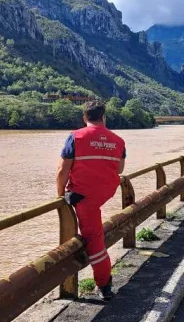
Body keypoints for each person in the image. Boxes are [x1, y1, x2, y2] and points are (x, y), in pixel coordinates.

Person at [56, 100, 126, 301]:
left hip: (84, 196)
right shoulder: (118, 141)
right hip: (106, 191)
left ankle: (105, 285)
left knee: (94, 240)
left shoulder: (75, 137)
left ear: (85, 117)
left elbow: (63, 170)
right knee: (94, 228)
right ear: (104, 117)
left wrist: (60, 196)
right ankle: (103, 282)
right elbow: (119, 170)